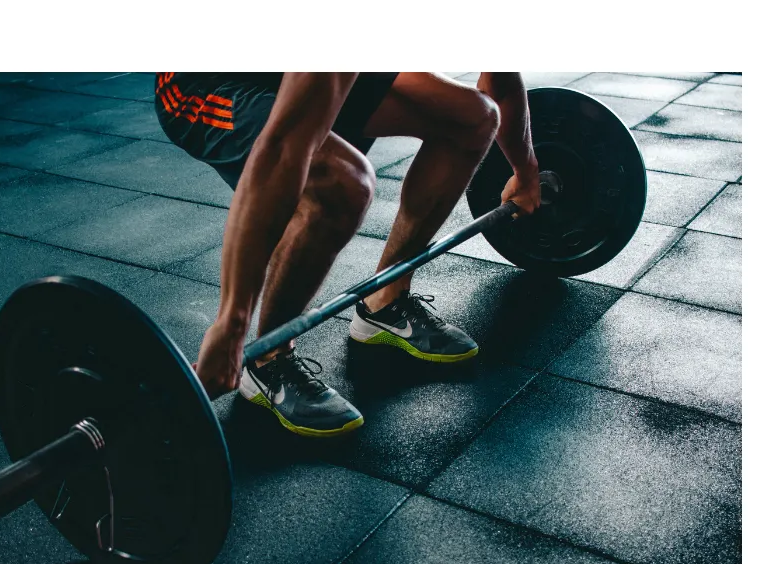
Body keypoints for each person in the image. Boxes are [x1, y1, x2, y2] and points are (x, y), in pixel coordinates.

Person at [155, 72, 540, 437]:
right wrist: (231, 323)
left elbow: (500, 85)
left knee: (473, 118)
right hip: (208, 81)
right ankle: (268, 359)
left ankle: (384, 302)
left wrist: (525, 171)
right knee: (343, 183)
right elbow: (284, 147)